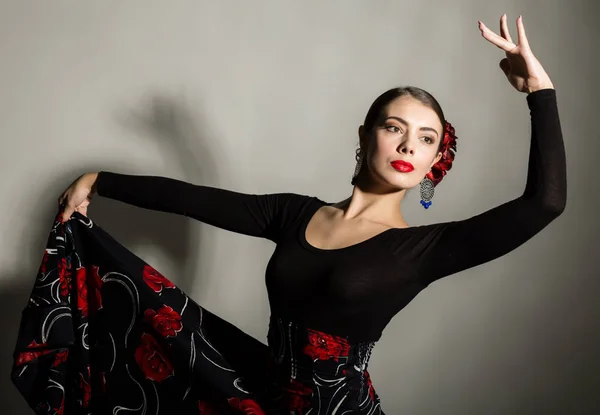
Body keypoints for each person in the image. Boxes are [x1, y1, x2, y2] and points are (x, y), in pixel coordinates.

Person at [45, 14, 565, 414]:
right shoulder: (293, 215)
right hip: (260, 398)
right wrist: (99, 179)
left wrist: (539, 93)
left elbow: (545, 202)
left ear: (435, 160)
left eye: (426, 138)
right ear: (365, 137)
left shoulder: (423, 250)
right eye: (394, 127)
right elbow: (194, 198)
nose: (409, 144)